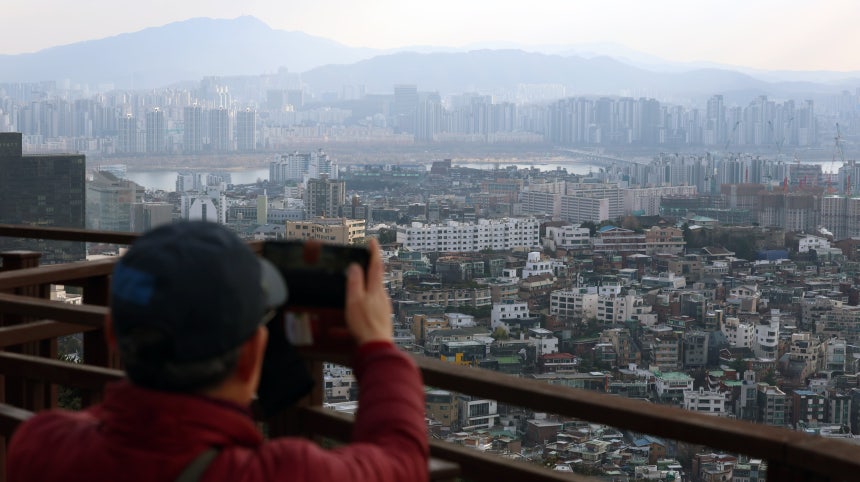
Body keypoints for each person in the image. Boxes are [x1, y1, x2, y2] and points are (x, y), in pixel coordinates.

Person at [7, 221, 428, 481]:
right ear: (251, 357)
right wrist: (377, 346)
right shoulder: (283, 473)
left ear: (112, 335)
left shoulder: (41, 447)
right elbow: (401, 460)